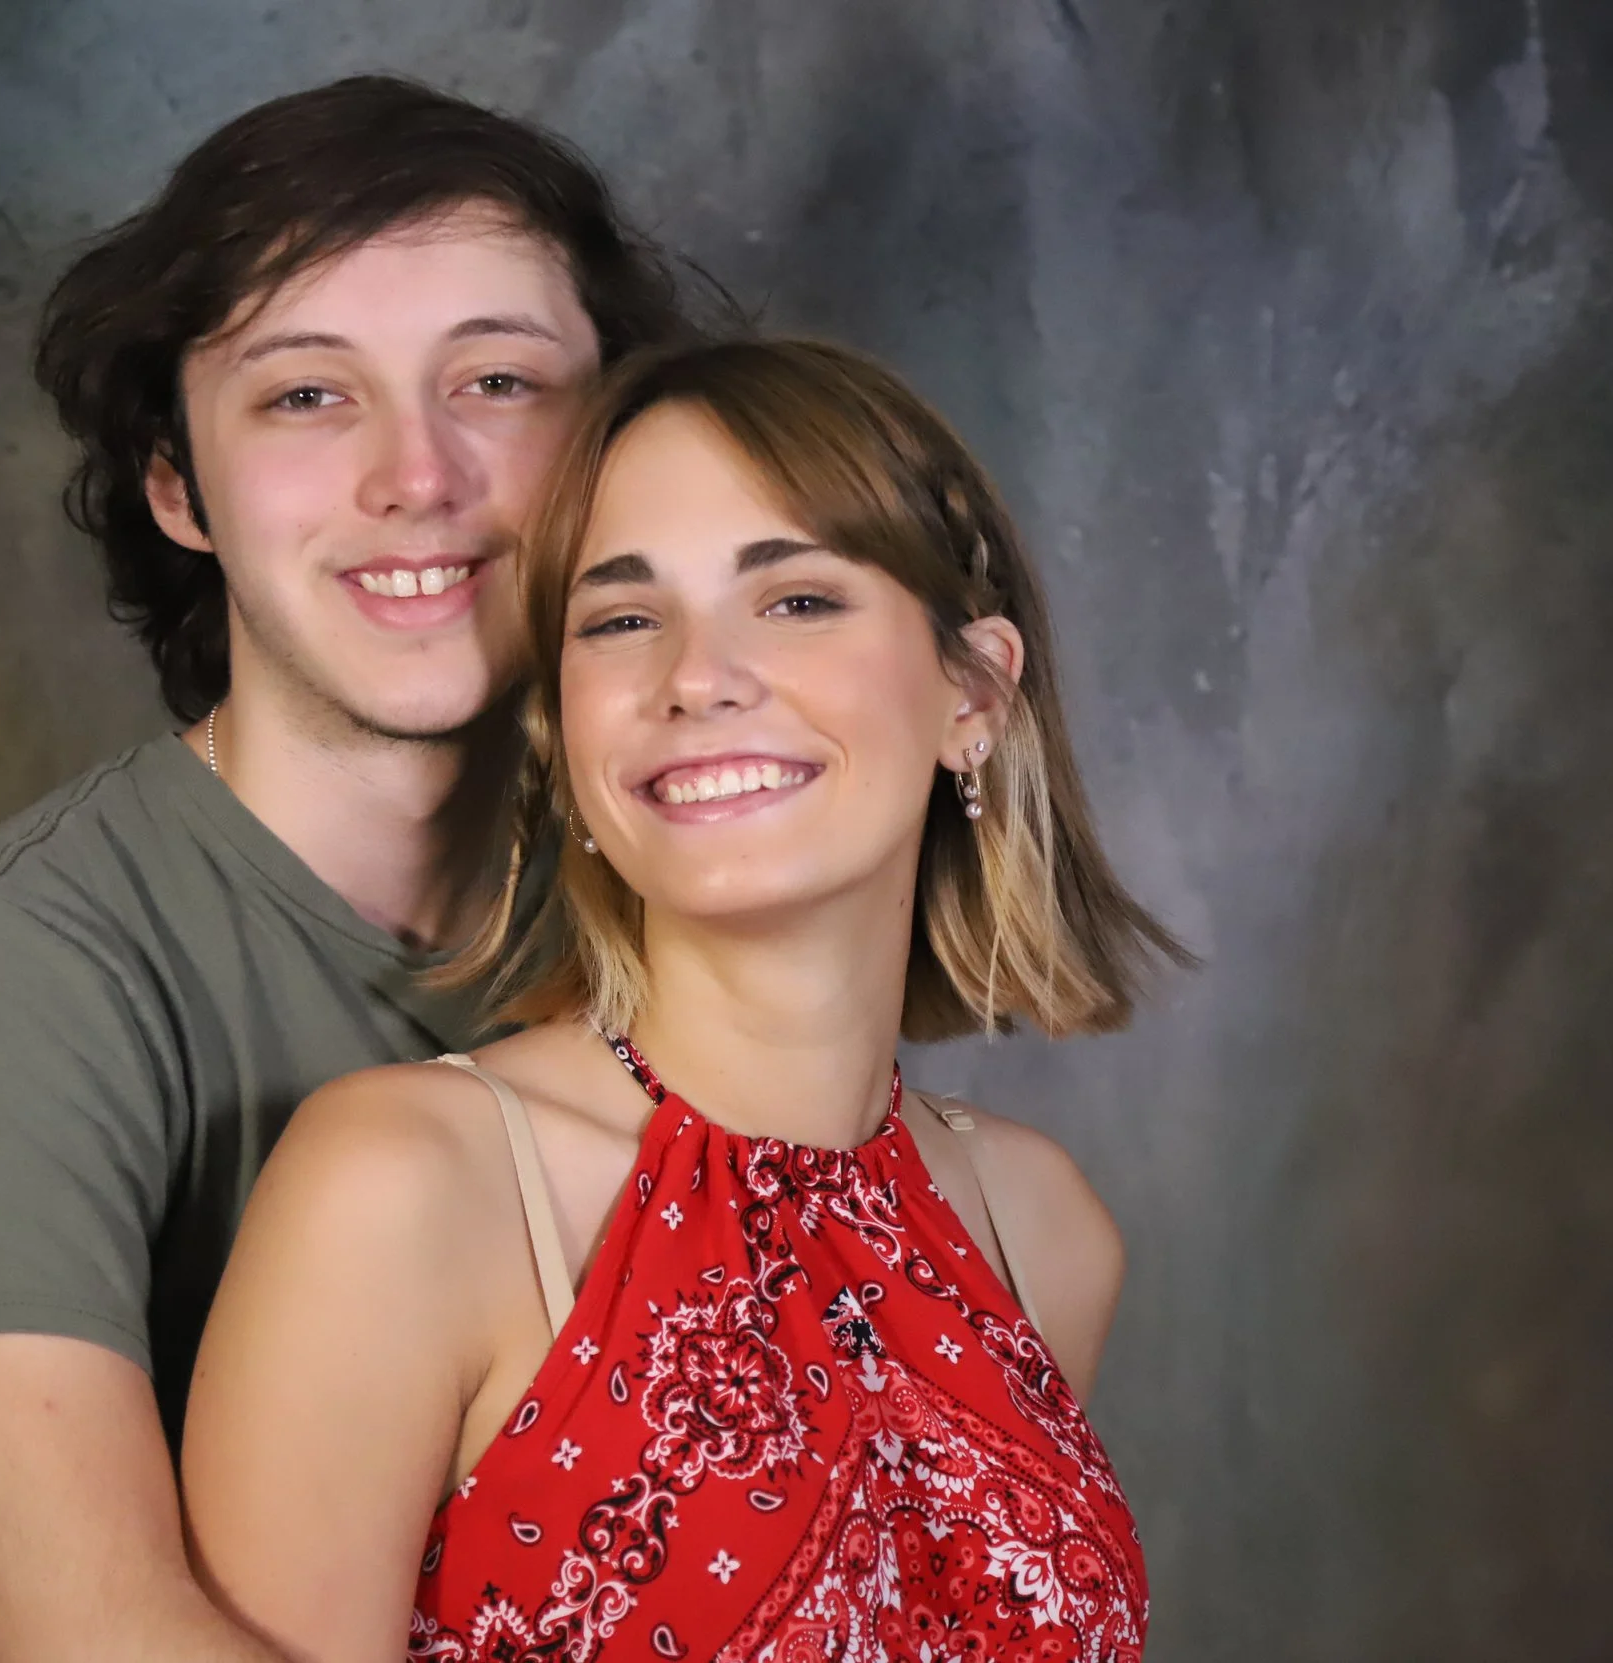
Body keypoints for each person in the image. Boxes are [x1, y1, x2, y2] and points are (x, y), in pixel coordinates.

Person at [0, 76, 706, 1662]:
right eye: (305, 395)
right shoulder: (5, 978)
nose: (415, 474)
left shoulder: (682, 917)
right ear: (174, 482)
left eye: (497, 379)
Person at [178, 338, 1189, 1661]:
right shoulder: (410, 1184)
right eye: (620, 619)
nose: (697, 676)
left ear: (974, 693)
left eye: (797, 600)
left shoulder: (1042, 1228)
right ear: (564, 730)